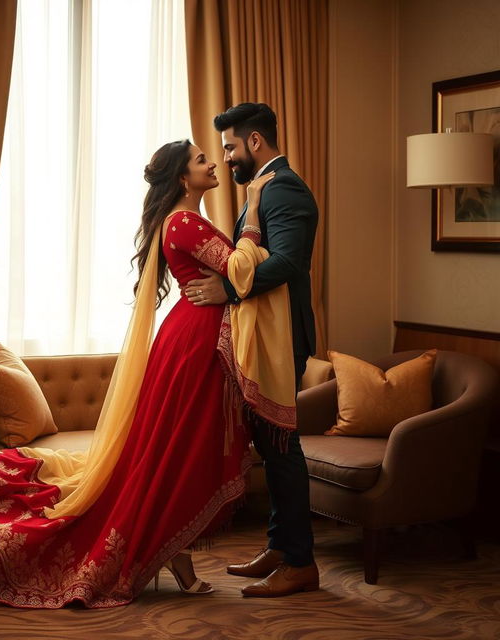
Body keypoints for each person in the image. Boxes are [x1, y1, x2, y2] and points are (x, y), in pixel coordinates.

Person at [0, 139, 291, 609]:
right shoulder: (183, 221)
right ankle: (170, 551)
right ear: (184, 178)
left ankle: (176, 552)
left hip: (199, 337)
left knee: (178, 450)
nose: (212, 163)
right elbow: (241, 269)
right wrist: (256, 212)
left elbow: (233, 277)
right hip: (195, 344)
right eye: (202, 159)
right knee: (177, 450)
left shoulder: (186, 219)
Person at [185, 102, 320, 597]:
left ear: (255, 143)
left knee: (282, 446)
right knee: (270, 444)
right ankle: (281, 548)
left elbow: (286, 261)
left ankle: (301, 562)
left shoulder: (283, 188)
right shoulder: (264, 187)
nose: (226, 158)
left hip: (282, 337)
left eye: (230, 147)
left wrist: (228, 289)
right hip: (266, 336)